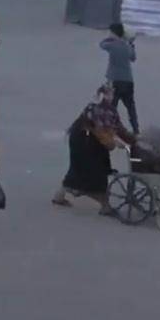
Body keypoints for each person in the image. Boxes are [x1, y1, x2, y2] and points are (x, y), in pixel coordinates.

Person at [53, 84, 135, 212]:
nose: (112, 96)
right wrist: (115, 143)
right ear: (104, 95)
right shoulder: (99, 109)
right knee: (95, 173)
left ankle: (60, 196)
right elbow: (103, 132)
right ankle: (105, 205)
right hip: (84, 141)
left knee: (78, 170)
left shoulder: (109, 109)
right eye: (110, 94)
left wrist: (134, 139)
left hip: (88, 140)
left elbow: (119, 129)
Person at [101, 23, 139, 133]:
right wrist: (130, 43)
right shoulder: (127, 46)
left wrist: (111, 38)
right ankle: (136, 129)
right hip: (128, 81)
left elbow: (102, 44)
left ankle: (109, 128)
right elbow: (133, 58)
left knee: (111, 107)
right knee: (130, 107)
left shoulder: (111, 45)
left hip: (114, 81)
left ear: (113, 33)